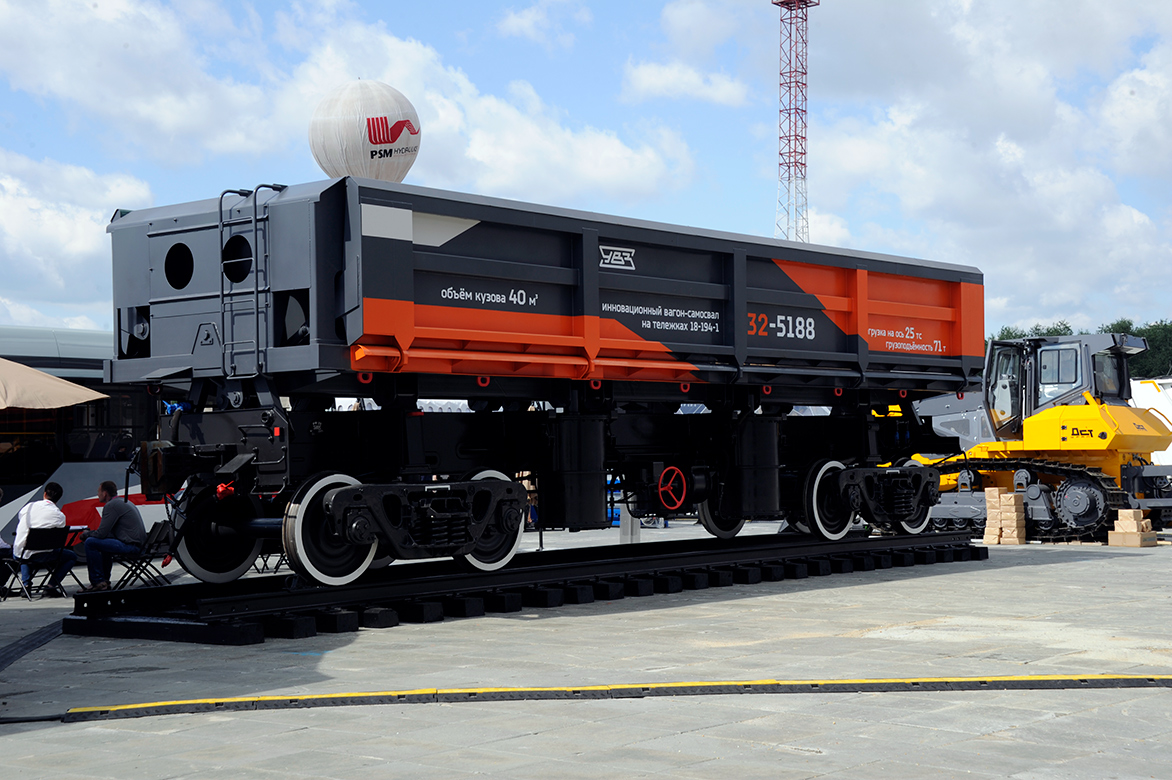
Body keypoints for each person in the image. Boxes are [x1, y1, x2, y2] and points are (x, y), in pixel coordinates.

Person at [12, 482, 77, 598]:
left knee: (26, 552)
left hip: (20, 553)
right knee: (71, 556)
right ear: (59, 498)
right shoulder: (60, 515)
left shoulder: (29, 507)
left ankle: (26, 585)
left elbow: (22, 519)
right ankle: (51, 586)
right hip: (43, 554)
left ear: (45, 494)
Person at [81, 481, 146, 592]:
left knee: (90, 542)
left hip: (131, 546)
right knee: (103, 544)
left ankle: (97, 581)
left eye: (99, 492)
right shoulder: (123, 502)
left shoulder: (111, 505)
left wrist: (86, 534)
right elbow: (106, 533)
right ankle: (104, 581)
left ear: (105, 493)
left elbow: (101, 533)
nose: (97, 495)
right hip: (139, 545)